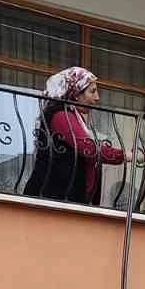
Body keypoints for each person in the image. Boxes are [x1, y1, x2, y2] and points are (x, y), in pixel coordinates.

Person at [23, 67, 130, 205]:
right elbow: (87, 147)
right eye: (92, 91)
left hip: (63, 199)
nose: (97, 98)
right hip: (51, 199)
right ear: (75, 95)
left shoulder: (72, 117)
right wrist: (125, 155)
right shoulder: (60, 115)